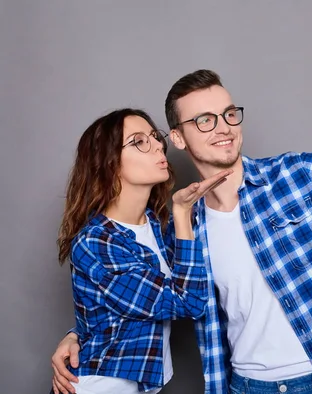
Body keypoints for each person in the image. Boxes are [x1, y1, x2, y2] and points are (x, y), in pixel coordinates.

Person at [52, 54, 312, 394]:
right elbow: (146, 290)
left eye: (228, 114)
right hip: (244, 385)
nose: (222, 128)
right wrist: (79, 335)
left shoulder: (300, 178)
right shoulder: (182, 227)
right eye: (204, 120)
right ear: (179, 137)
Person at [51, 108, 231, 394]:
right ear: (109, 163)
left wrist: (75, 334)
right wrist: (182, 211)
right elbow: (190, 301)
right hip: (98, 387)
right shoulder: (96, 244)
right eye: (138, 142)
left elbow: (107, 313)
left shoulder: (157, 226)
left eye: (154, 137)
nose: (158, 145)